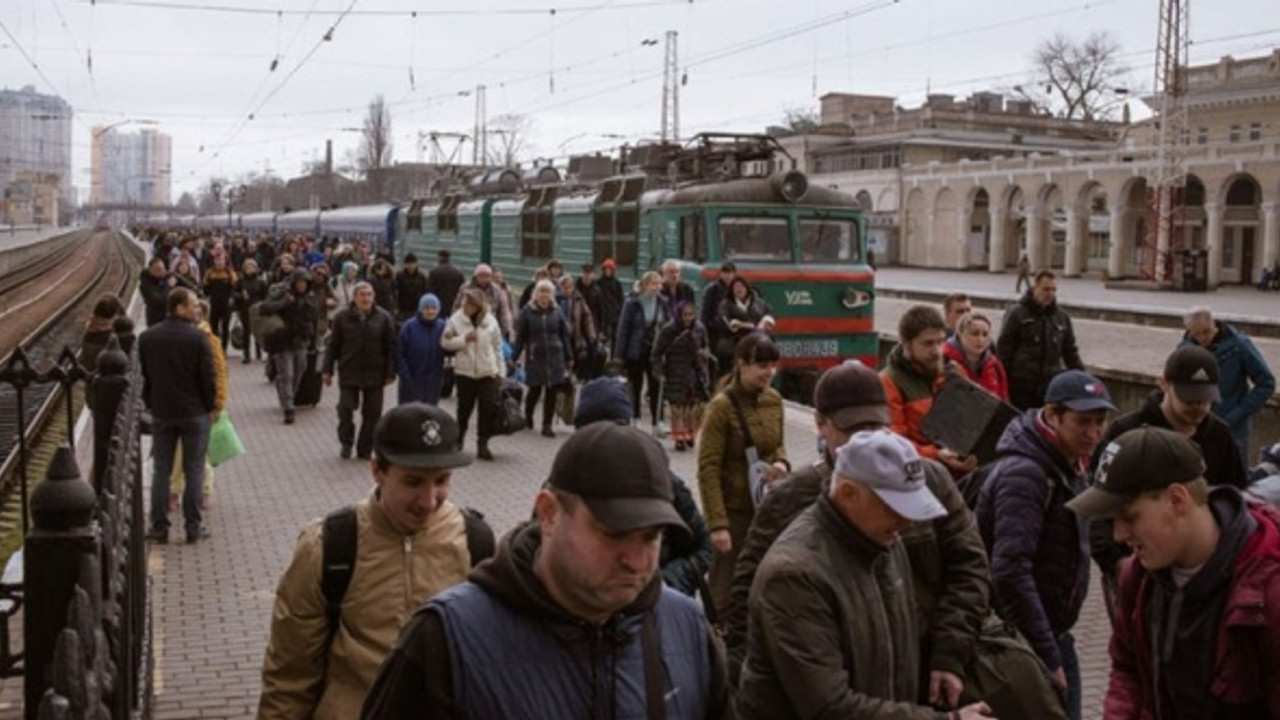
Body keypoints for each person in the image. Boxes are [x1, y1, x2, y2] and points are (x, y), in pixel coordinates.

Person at [360, 422, 735, 720]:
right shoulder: (446, 638)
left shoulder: (687, 628)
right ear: (549, 514)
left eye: (651, 536)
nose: (636, 561)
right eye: (614, 534)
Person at [737, 429, 994, 720]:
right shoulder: (793, 576)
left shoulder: (882, 538)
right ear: (849, 493)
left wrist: (946, 659)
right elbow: (829, 707)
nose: (908, 522)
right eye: (895, 507)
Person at [258, 404, 479, 720]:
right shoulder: (328, 547)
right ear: (377, 471)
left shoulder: (475, 542)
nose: (429, 501)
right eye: (413, 482)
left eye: (442, 480)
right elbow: (290, 675)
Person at [1066, 425, 1280, 718]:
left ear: (1177, 499)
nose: (1118, 535)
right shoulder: (1138, 575)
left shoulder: (1268, 589)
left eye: (1129, 517)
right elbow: (1128, 669)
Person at [974, 369, 1114, 720]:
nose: (1093, 433)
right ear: (1052, 416)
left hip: (1051, 636)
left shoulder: (1069, 463)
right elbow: (1010, 571)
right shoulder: (1025, 474)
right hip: (1023, 644)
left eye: (1100, 422)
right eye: (1083, 422)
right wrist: (1047, 656)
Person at [1088, 345, 1248, 601]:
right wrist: (1117, 564)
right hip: (1135, 569)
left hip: (1203, 575)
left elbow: (1237, 501)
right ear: (1164, 384)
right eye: (1189, 399)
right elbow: (1097, 510)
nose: (1199, 407)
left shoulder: (1220, 437)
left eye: (1205, 400)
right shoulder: (1124, 434)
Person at [573, 376, 713, 598]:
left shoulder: (662, 481)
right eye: (592, 433)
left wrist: (669, 580)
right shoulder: (565, 486)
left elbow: (704, 546)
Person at [697, 332, 788, 618]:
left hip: (765, 507)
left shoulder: (774, 400)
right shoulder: (721, 407)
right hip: (734, 512)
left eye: (772, 366)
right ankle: (718, 635)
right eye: (762, 366)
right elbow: (708, 467)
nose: (769, 372)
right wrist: (717, 525)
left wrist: (782, 462)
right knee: (725, 589)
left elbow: (778, 444)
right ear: (742, 364)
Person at [139, 287, 217, 544]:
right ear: (179, 308)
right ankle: (193, 526)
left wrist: (152, 403)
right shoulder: (198, 338)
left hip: (163, 411)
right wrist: (210, 407)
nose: (198, 309)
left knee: (161, 470)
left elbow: (146, 377)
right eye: (193, 305)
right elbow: (208, 378)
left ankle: (159, 526)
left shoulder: (148, 337)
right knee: (194, 469)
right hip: (194, 412)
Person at [881, 304, 976, 475]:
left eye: (940, 342)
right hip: (920, 473)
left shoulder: (954, 371)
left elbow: (974, 419)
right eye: (928, 344)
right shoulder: (890, 381)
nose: (936, 351)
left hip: (961, 465)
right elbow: (894, 444)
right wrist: (936, 454)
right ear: (907, 345)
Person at [1181, 306, 1276, 464]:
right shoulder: (1185, 349)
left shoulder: (1239, 345)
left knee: (1235, 475)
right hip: (1198, 428)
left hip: (1233, 430)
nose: (1202, 338)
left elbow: (1266, 382)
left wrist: (1237, 414)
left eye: (1206, 331)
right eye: (1196, 334)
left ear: (1213, 323)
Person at [322, 283, 396, 460]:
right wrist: (327, 370)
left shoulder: (384, 318)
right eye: (362, 295)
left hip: (375, 372)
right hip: (350, 371)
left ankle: (365, 447)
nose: (366, 298)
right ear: (354, 297)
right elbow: (333, 346)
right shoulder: (342, 318)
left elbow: (391, 347)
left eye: (369, 295)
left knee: (373, 414)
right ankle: (346, 442)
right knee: (345, 408)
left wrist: (390, 372)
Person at [997, 269, 1084, 411]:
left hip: (1049, 389)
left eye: (1053, 289)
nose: (1050, 294)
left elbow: (1070, 352)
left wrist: (1083, 378)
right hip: (1020, 389)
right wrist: (1002, 386)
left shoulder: (1061, 317)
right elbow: (1004, 352)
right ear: (1034, 288)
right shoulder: (1017, 314)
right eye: (1046, 289)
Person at [442, 288, 505, 461]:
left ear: (478, 305)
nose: (466, 306)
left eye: (470, 304)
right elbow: (445, 343)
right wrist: (463, 339)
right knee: (464, 408)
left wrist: (500, 371)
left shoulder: (490, 320)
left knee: (487, 409)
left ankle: (482, 444)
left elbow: (497, 346)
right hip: (465, 372)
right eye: (465, 302)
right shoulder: (456, 319)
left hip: (487, 371)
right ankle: (459, 440)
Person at [511, 279, 573, 438]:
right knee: (535, 390)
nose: (544, 295)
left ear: (552, 294)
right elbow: (520, 337)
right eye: (541, 291)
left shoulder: (558, 311)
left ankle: (547, 424)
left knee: (552, 392)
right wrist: (513, 357)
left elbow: (564, 336)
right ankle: (528, 416)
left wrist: (569, 356)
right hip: (536, 356)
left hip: (555, 356)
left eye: (547, 291)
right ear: (536, 294)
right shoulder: (527, 311)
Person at [260, 268, 319, 425]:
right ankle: (288, 407)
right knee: (286, 373)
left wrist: (314, 341)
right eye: (299, 282)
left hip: (301, 340)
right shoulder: (282, 293)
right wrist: (283, 303)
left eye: (305, 282)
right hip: (283, 340)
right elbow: (264, 308)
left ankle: (288, 396)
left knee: (299, 370)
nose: (302, 285)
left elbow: (314, 320)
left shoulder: (310, 297)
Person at [615, 271, 671, 434]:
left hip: (655, 350)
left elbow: (668, 326)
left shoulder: (663, 302)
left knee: (656, 386)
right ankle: (634, 417)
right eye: (654, 284)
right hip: (636, 349)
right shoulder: (632, 303)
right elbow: (623, 329)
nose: (657, 287)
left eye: (659, 284)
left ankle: (658, 422)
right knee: (635, 385)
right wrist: (619, 355)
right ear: (645, 285)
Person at [652, 301, 711, 451]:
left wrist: (704, 357)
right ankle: (679, 438)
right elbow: (657, 353)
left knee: (693, 405)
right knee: (677, 406)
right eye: (685, 315)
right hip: (675, 371)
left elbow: (705, 346)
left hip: (694, 371)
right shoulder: (669, 330)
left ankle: (690, 434)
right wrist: (659, 371)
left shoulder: (699, 328)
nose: (688, 318)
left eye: (691, 315)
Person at [943, 311, 1009, 401]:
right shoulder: (945, 360)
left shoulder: (995, 365)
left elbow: (1003, 399)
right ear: (960, 334)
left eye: (985, 334)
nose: (980, 339)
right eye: (975, 334)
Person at [395, 293, 446, 406]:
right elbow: (399, 353)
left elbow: (448, 350)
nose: (430, 311)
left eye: (434, 308)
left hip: (433, 381)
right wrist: (405, 375)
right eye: (427, 308)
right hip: (411, 379)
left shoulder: (443, 327)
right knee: (409, 412)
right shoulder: (408, 327)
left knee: (429, 412)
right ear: (421, 309)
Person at [715, 276, 775, 364]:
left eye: (741, 286)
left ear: (747, 288)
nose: (739, 289)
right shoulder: (726, 304)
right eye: (735, 287)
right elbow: (728, 322)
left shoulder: (759, 303)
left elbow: (769, 314)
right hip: (733, 346)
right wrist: (748, 326)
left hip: (757, 345)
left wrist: (764, 322)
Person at [454, 263, 513, 340]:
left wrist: (506, 329)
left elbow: (504, 311)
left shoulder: (496, 290)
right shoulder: (466, 288)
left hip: (489, 326)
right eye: (481, 276)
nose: (484, 279)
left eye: (487, 276)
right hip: (468, 326)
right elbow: (457, 306)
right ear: (476, 276)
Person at [701, 261, 737, 374]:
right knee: (714, 365)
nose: (728, 276)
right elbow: (705, 314)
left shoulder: (736, 289)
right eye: (725, 273)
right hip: (715, 333)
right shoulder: (711, 290)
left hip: (732, 334)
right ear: (721, 274)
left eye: (730, 273)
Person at [574, 263, 607, 379]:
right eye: (585, 273)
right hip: (578, 325)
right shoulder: (576, 289)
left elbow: (601, 311)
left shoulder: (597, 290)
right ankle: (579, 374)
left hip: (593, 326)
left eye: (589, 274)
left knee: (593, 352)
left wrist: (601, 330)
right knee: (578, 352)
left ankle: (590, 376)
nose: (587, 276)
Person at [234, 258, 269, 364]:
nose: (249, 269)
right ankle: (246, 354)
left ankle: (259, 353)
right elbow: (234, 293)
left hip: (257, 309)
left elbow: (265, 295)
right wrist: (241, 296)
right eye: (247, 267)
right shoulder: (240, 281)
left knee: (258, 331)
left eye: (252, 267)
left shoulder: (261, 281)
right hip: (244, 308)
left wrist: (263, 306)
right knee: (246, 331)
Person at [202, 253, 237, 353]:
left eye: (221, 260)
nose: (219, 262)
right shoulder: (209, 273)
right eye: (217, 260)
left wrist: (232, 299)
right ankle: (215, 348)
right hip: (214, 304)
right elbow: (205, 287)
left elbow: (235, 288)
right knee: (213, 327)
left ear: (225, 261)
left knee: (225, 327)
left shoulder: (230, 273)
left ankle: (224, 349)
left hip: (226, 304)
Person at [139, 255, 177, 327]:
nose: (162, 271)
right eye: (158, 270)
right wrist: (169, 286)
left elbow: (188, 285)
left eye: (163, 268)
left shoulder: (168, 276)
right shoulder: (145, 284)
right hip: (156, 320)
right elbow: (160, 301)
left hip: (171, 318)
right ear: (151, 270)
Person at [425, 249, 465, 316]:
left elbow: (429, 291)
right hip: (453, 307)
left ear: (439, 258)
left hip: (438, 307)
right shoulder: (458, 273)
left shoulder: (434, 272)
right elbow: (462, 290)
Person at [596, 257, 624, 346]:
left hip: (613, 313)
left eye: (610, 269)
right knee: (602, 335)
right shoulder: (598, 282)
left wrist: (618, 310)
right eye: (606, 269)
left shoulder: (617, 283)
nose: (608, 271)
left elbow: (620, 299)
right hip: (601, 312)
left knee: (614, 336)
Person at [394, 253, 429, 323]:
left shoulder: (422, 276)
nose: (410, 266)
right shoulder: (399, 276)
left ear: (416, 264)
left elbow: (425, 291)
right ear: (405, 264)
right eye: (408, 264)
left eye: (412, 264)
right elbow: (395, 291)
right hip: (403, 308)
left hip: (417, 308)